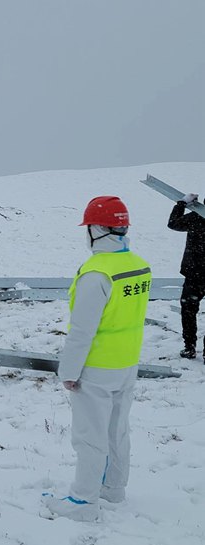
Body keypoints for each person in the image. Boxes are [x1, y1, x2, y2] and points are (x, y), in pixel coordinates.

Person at [42, 196, 150, 522]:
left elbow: (82, 331)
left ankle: (84, 501)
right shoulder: (138, 265)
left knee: (90, 435)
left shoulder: (96, 273)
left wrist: (69, 371)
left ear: (97, 229)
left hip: (97, 366)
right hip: (127, 362)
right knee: (118, 430)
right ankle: (113, 488)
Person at [167, 192, 205, 359]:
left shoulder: (196, 218)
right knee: (188, 310)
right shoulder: (196, 217)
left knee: (188, 310)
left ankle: (189, 347)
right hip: (194, 272)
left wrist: (182, 204)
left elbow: (173, 223)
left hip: (194, 273)